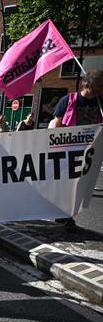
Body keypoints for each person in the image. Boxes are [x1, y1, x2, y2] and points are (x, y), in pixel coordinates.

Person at [50, 70, 103, 231]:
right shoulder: (68, 100)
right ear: (86, 84)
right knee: (67, 184)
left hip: (90, 152)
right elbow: (56, 123)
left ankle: (66, 214)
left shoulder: (101, 103)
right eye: (96, 86)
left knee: (80, 185)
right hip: (68, 151)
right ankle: (64, 214)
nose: (98, 90)